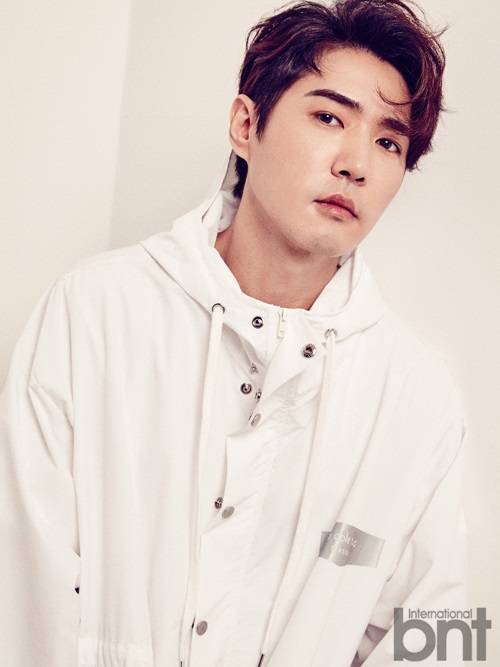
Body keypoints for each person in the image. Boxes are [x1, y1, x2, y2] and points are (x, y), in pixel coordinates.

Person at [0, 0, 468, 665]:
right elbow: (21, 581)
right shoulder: (96, 311)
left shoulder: (420, 392)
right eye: (329, 117)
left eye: (388, 142)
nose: (356, 163)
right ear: (246, 125)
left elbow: (445, 626)